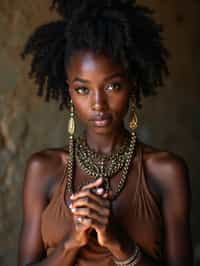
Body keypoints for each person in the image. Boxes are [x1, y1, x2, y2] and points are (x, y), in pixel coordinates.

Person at [18, 0, 193, 265]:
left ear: (132, 84)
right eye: (83, 89)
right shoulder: (43, 169)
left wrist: (116, 241)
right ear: (69, 91)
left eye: (112, 87)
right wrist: (71, 241)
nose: (98, 104)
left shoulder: (166, 172)